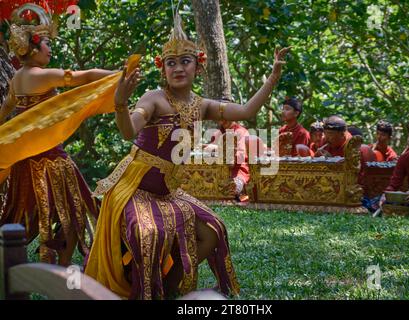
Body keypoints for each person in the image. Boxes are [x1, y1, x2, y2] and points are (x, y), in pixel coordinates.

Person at [84, 12, 291, 299]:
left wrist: (272, 78)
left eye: (185, 61)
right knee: (149, 236)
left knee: (212, 231)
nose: (178, 68)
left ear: (198, 67)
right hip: (134, 188)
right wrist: (120, 103)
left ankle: (169, 291)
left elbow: (246, 112)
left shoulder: (202, 105)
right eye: (171, 63)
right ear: (163, 69)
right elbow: (129, 131)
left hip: (168, 192)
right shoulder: (153, 98)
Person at [0, 4, 116, 265]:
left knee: (26, 218)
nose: (50, 49)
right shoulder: (42, 75)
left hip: (23, 163)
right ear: (33, 47)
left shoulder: (17, 77)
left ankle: (41, 266)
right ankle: (58, 269)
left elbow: (7, 108)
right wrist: (119, 75)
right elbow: (83, 77)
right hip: (51, 163)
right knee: (72, 214)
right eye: (47, 43)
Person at [207, 118, 250, 202]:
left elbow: (240, 156)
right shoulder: (216, 134)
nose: (222, 120)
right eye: (219, 117)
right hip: (216, 173)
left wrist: (220, 149)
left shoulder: (241, 132)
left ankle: (241, 196)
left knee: (231, 190)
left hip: (237, 173)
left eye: (226, 116)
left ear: (232, 115)